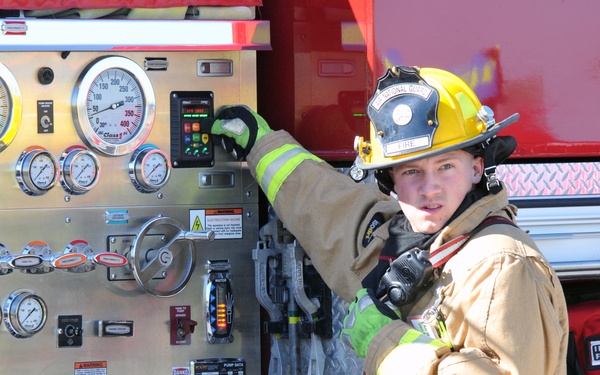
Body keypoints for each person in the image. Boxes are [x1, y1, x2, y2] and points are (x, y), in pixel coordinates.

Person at [201, 66, 569, 374]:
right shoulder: (417, 238)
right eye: (411, 172)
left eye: (445, 167)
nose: (429, 189)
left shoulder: (500, 265)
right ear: (390, 180)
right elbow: (332, 213)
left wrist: (387, 342)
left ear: (476, 168)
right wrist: (259, 146)